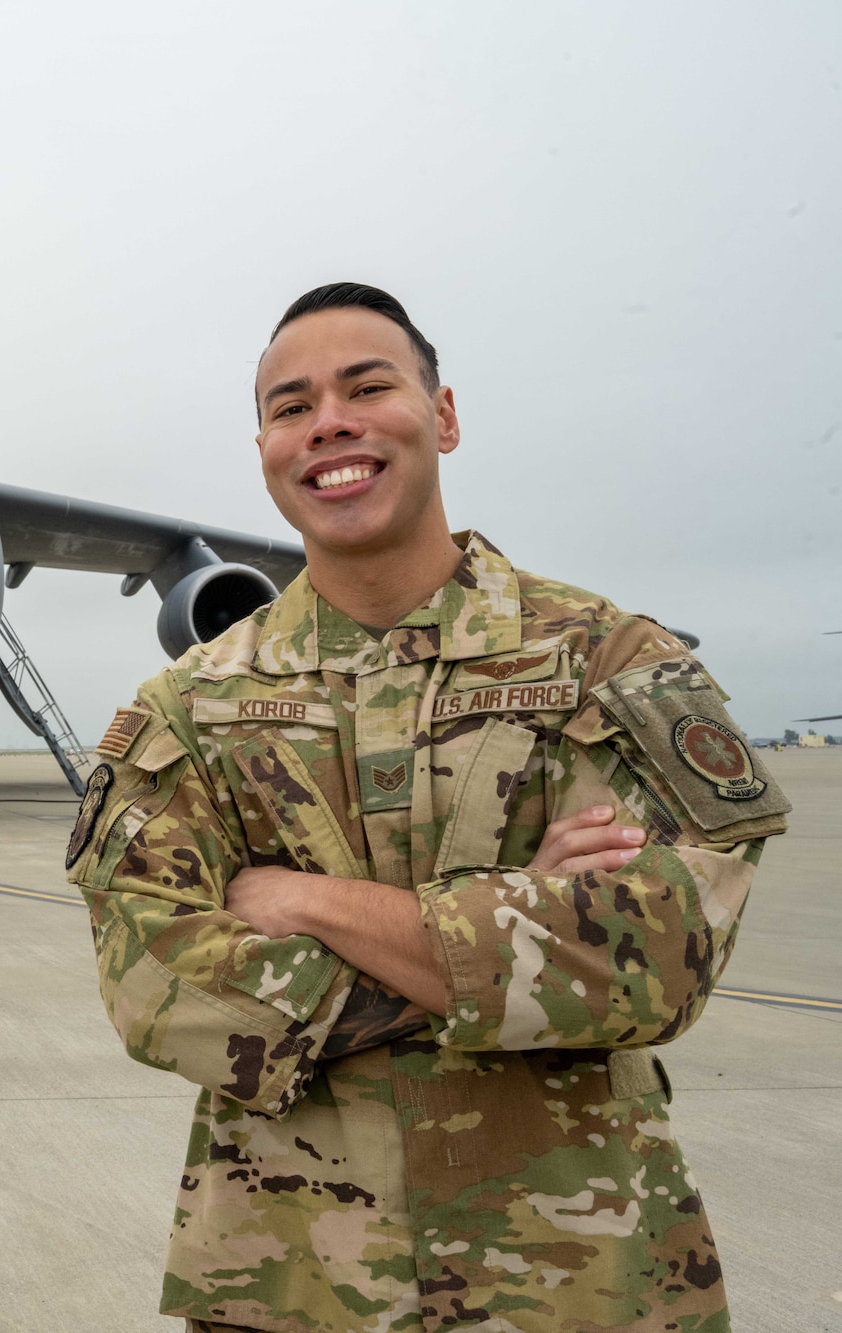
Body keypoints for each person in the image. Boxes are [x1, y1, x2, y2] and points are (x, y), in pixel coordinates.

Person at [68, 283, 788, 1333]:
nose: (328, 423)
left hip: (581, 1287)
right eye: (289, 406)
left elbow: (656, 959)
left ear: (440, 415)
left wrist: (309, 903)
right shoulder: (188, 709)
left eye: (366, 386)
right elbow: (158, 993)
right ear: (265, 446)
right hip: (288, 1288)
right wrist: (514, 930)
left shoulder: (610, 661)